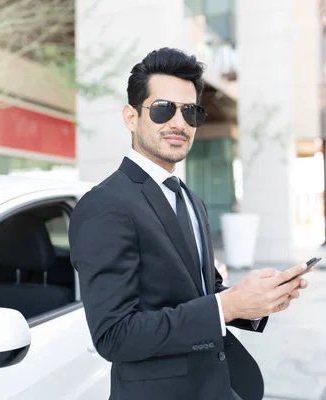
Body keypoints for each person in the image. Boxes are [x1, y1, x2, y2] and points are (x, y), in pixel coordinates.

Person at [68, 47, 309, 400]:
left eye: (191, 112)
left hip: (218, 385)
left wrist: (256, 302)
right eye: (164, 109)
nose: (179, 123)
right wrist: (227, 307)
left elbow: (200, 293)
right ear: (131, 117)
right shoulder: (104, 205)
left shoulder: (190, 200)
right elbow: (115, 335)